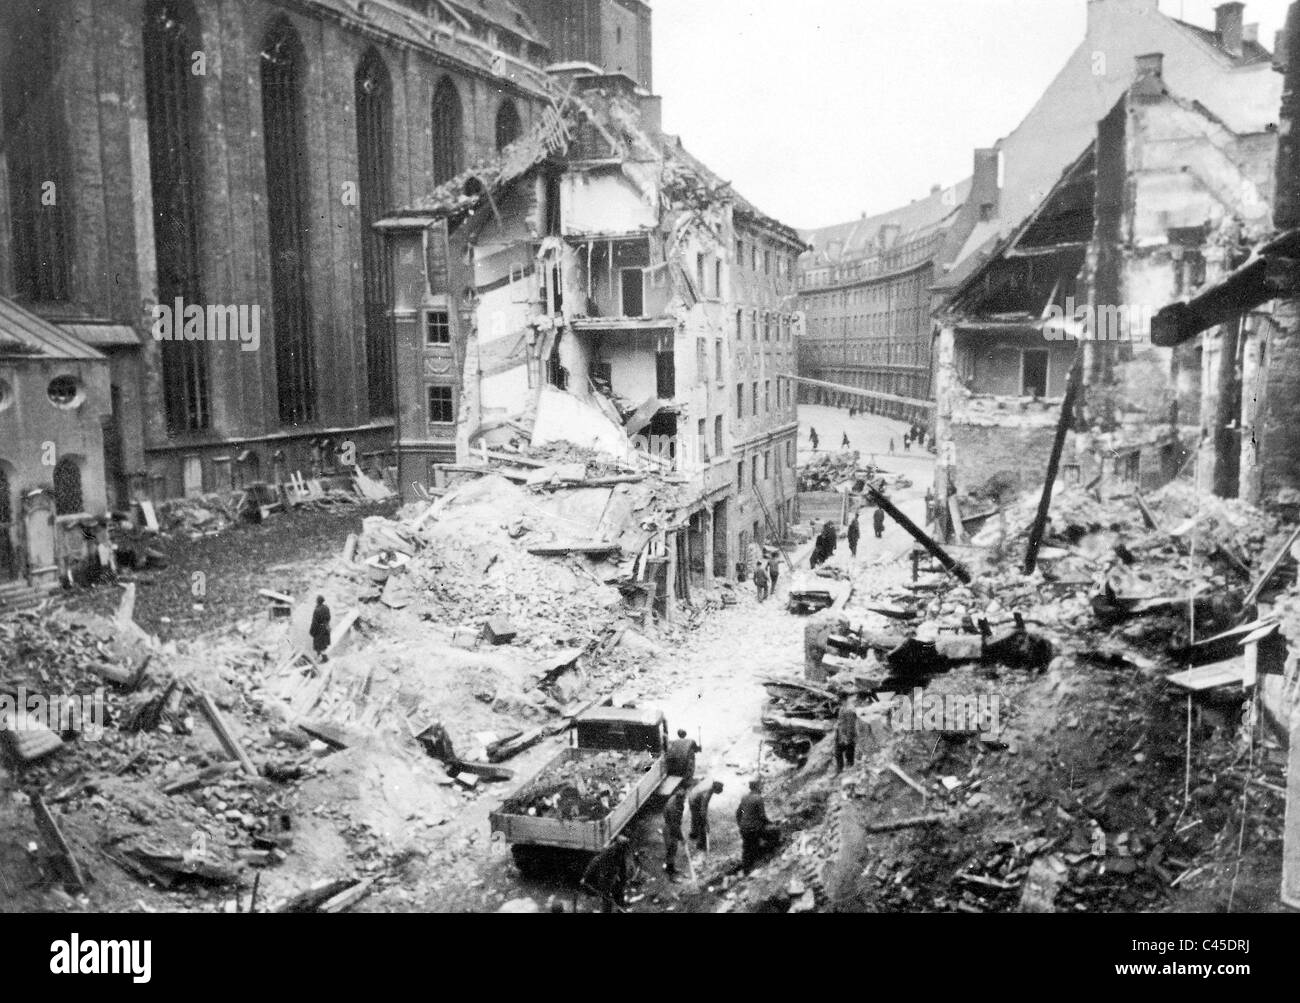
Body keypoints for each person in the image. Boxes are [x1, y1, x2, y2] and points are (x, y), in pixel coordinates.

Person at [736, 780, 779, 873]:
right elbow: (762, 816)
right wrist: (771, 823)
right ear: (757, 787)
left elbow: (739, 813)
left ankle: (746, 869)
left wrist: (741, 825)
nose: (761, 788)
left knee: (746, 848)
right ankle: (768, 856)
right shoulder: (758, 798)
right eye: (760, 786)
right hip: (754, 829)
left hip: (744, 829)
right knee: (775, 832)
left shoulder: (744, 797)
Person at [581, 835, 631, 913]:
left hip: (614, 878)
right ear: (619, 845)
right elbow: (595, 862)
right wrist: (586, 876)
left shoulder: (621, 852)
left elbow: (622, 866)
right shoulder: (608, 852)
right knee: (607, 900)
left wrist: (624, 879)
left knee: (619, 896)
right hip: (606, 879)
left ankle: (620, 909)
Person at [688, 779, 724, 851]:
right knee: (701, 823)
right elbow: (703, 809)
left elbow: (704, 806)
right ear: (715, 789)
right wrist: (706, 822)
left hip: (693, 796)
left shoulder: (710, 784)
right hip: (694, 800)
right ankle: (701, 844)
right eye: (717, 792)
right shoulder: (707, 793)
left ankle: (693, 834)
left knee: (695, 817)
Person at [663, 786, 686, 879]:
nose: (684, 800)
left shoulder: (676, 799)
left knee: (674, 848)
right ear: (679, 798)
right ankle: (670, 873)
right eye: (683, 799)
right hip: (669, 828)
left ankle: (672, 867)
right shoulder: (673, 808)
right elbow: (674, 826)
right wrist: (682, 838)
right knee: (671, 848)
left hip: (672, 825)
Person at [835, 695, 859, 774]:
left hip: (847, 735)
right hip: (841, 734)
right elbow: (841, 721)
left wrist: (848, 738)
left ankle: (850, 770)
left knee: (849, 754)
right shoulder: (842, 708)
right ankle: (840, 770)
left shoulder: (849, 710)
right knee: (838, 752)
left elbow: (850, 725)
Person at [310, 596, 332, 663]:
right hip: (325, 627)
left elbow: (314, 622)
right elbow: (329, 617)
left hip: (319, 629)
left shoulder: (317, 610)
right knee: (323, 644)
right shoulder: (326, 607)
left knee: (318, 644)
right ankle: (320, 656)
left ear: (318, 601)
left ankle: (324, 659)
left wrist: (312, 631)